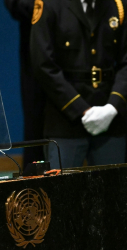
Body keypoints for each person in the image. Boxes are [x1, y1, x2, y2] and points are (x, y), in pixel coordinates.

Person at [30, 0, 127, 169]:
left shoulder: (119, 4)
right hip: (65, 118)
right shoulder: (50, 4)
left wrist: (113, 106)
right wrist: (81, 108)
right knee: (61, 191)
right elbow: (43, 65)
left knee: (113, 192)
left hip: (110, 119)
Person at [4, 0, 46, 168]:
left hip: (80, 62)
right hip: (37, 55)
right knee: (36, 126)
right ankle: (34, 187)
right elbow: (15, 5)